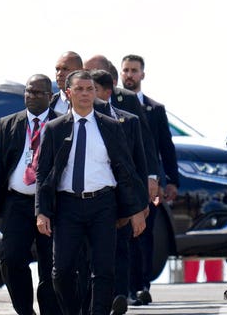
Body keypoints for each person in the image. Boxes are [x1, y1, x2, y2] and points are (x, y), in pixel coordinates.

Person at [35, 70, 148, 314]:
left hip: (103, 204)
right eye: (79, 89)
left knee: (104, 269)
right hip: (67, 206)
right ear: (68, 93)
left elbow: (126, 170)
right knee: (62, 270)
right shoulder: (54, 129)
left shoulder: (110, 126)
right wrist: (42, 212)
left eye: (89, 89)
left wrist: (136, 210)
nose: (85, 94)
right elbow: (43, 174)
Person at [0, 74, 61, 315]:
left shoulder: (61, 124)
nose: (31, 96)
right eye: (28, 91)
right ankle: (25, 310)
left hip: (51, 205)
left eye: (37, 93)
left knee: (50, 265)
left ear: (49, 96)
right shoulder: (8, 124)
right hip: (17, 201)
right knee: (11, 258)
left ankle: (50, 310)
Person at [89, 69, 151, 314]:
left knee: (121, 247)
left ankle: (119, 295)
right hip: (95, 196)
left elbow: (138, 163)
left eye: (93, 89)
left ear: (106, 91)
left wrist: (139, 202)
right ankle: (100, 297)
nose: (89, 95)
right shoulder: (81, 120)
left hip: (122, 196)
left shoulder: (128, 121)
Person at [121, 54, 179, 306]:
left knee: (144, 234)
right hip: (123, 182)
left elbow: (165, 147)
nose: (130, 75)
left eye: (134, 70)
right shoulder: (113, 105)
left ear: (143, 74)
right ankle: (128, 288)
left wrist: (171, 181)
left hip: (150, 183)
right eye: (126, 70)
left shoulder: (155, 110)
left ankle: (142, 285)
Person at [84, 54, 159, 202]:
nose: (86, 74)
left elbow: (145, 140)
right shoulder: (80, 101)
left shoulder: (128, 98)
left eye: (90, 70)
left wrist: (151, 176)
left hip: (125, 181)